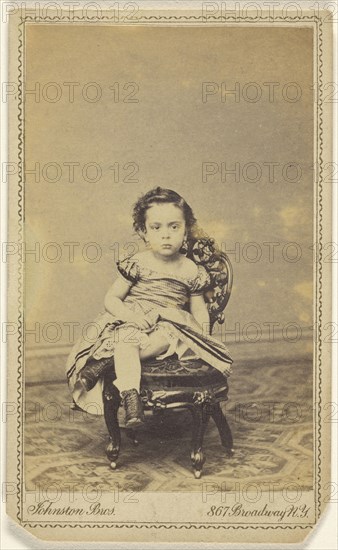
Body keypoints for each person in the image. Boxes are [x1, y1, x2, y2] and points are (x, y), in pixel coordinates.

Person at [66, 187, 233, 427]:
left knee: (162, 335)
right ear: (144, 232)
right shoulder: (138, 263)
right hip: (135, 320)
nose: (166, 235)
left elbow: (198, 309)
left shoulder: (192, 271)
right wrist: (130, 316)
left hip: (168, 325)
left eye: (174, 227)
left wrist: (202, 338)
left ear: (186, 230)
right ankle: (131, 398)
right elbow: (111, 299)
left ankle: (105, 363)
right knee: (125, 340)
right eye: (156, 228)